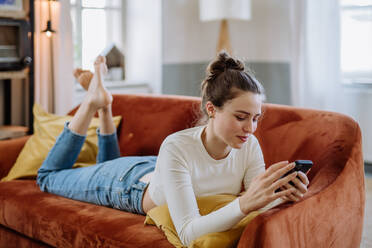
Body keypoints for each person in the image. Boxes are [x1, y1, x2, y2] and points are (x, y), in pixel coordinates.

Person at [37, 52, 309, 246]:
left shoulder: (248, 145)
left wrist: (282, 195)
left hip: (158, 170)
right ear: (212, 109)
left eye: (256, 118)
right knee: (47, 177)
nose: (250, 128)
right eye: (241, 117)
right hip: (127, 184)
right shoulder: (177, 145)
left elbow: (255, 199)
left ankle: (105, 105)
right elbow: (189, 233)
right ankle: (92, 103)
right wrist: (247, 202)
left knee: (105, 161)